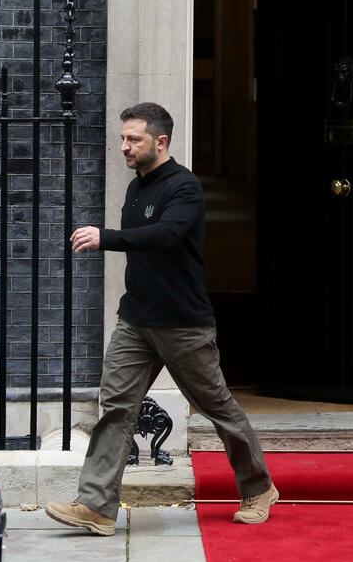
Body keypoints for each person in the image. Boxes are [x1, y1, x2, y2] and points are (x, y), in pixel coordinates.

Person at [45, 102, 277, 536]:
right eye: (123, 139)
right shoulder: (137, 188)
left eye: (133, 139)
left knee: (218, 408)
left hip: (183, 324)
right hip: (136, 319)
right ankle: (96, 506)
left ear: (161, 141)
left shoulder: (184, 188)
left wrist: (106, 238)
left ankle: (258, 487)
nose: (124, 147)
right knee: (115, 407)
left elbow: (166, 235)